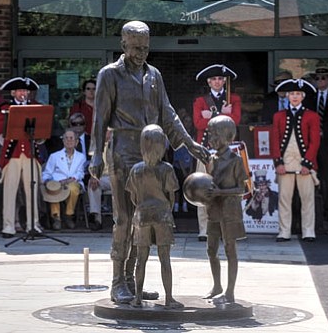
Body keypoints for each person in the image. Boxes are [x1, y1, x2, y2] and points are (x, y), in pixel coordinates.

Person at [89, 20, 209, 304]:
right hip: (121, 150)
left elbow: (167, 114)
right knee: (124, 219)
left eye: (145, 48)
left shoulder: (153, 74)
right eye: (135, 48)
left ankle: (134, 280)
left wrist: (190, 144)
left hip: (150, 155)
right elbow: (99, 118)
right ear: (123, 45)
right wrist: (95, 154)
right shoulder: (109, 75)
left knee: (142, 219)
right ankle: (118, 280)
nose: (141, 53)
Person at [126, 124, 183, 309]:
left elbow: (133, 197)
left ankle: (137, 298)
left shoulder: (136, 169)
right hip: (162, 216)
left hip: (142, 216)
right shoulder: (166, 169)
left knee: (141, 259)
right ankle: (169, 298)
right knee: (164, 258)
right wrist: (164, 207)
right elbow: (172, 196)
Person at [202, 115, 249, 304]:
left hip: (229, 210)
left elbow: (242, 189)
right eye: (209, 134)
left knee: (230, 249)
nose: (210, 139)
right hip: (214, 209)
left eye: (213, 134)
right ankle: (217, 286)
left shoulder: (235, 160)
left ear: (226, 136)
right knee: (211, 249)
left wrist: (221, 192)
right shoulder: (211, 158)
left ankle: (230, 291)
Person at [192, 64, 241, 242]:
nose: (217, 82)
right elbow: (197, 123)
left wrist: (210, 116)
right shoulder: (200, 101)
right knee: (203, 188)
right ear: (208, 82)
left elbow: (234, 121)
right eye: (213, 79)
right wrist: (222, 114)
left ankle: (225, 227)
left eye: (220, 79)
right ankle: (204, 229)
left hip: (226, 151)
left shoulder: (233, 99)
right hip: (206, 150)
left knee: (226, 189)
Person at [271, 79, 320, 242]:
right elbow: (275, 140)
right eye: (292, 94)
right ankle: (284, 231)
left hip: (304, 162)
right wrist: (278, 162)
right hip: (285, 162)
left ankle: (308, 231)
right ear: (286, 96)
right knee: (284, 199)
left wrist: (308, 163)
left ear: (303, 96)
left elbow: (315, 142)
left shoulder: (311, 116)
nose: (295, 97)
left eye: (298, 94)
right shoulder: (278, 116)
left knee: (307, 198)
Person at [0, 77, 44, 238]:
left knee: (32, 190)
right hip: (13, 154)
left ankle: (33, 225)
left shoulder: (35, 108)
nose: (23, 93)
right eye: (20, 91)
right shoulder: (5, 108)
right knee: (10, 191)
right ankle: (8, 226)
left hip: (30, 153)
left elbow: (43, 130)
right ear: (13, 92)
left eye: (25, 91)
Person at [305, 66, 328, 219]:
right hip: (310, 144)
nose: (320, 81)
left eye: (324, 78)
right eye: (317, 78)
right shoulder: (308, 97)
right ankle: (311, 210)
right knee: (309, 176)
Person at [69, 112, 108, 231]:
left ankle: (95, 216)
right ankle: (70, 216)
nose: (78, 126)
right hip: (74, 174)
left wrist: (93, 174)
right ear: (70, 125)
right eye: (75, 124)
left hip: (94, 173)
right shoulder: (66, 140)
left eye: (81, 124)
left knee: (92, 183)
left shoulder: (92, 140)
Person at [42, 129, 86, 230]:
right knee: (53, 189)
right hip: (57, 182)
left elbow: (80, 173)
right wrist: (48, 181)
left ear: (76, 142)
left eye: (71, 138)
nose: (69, 140)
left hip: (72, 181)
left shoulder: (81, 157)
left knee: (73, 188)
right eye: (66, 138)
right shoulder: (54, 156)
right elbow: (47, 173)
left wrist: (70, 180)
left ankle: (68, 215)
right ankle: (56, 218)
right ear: (63, 141)